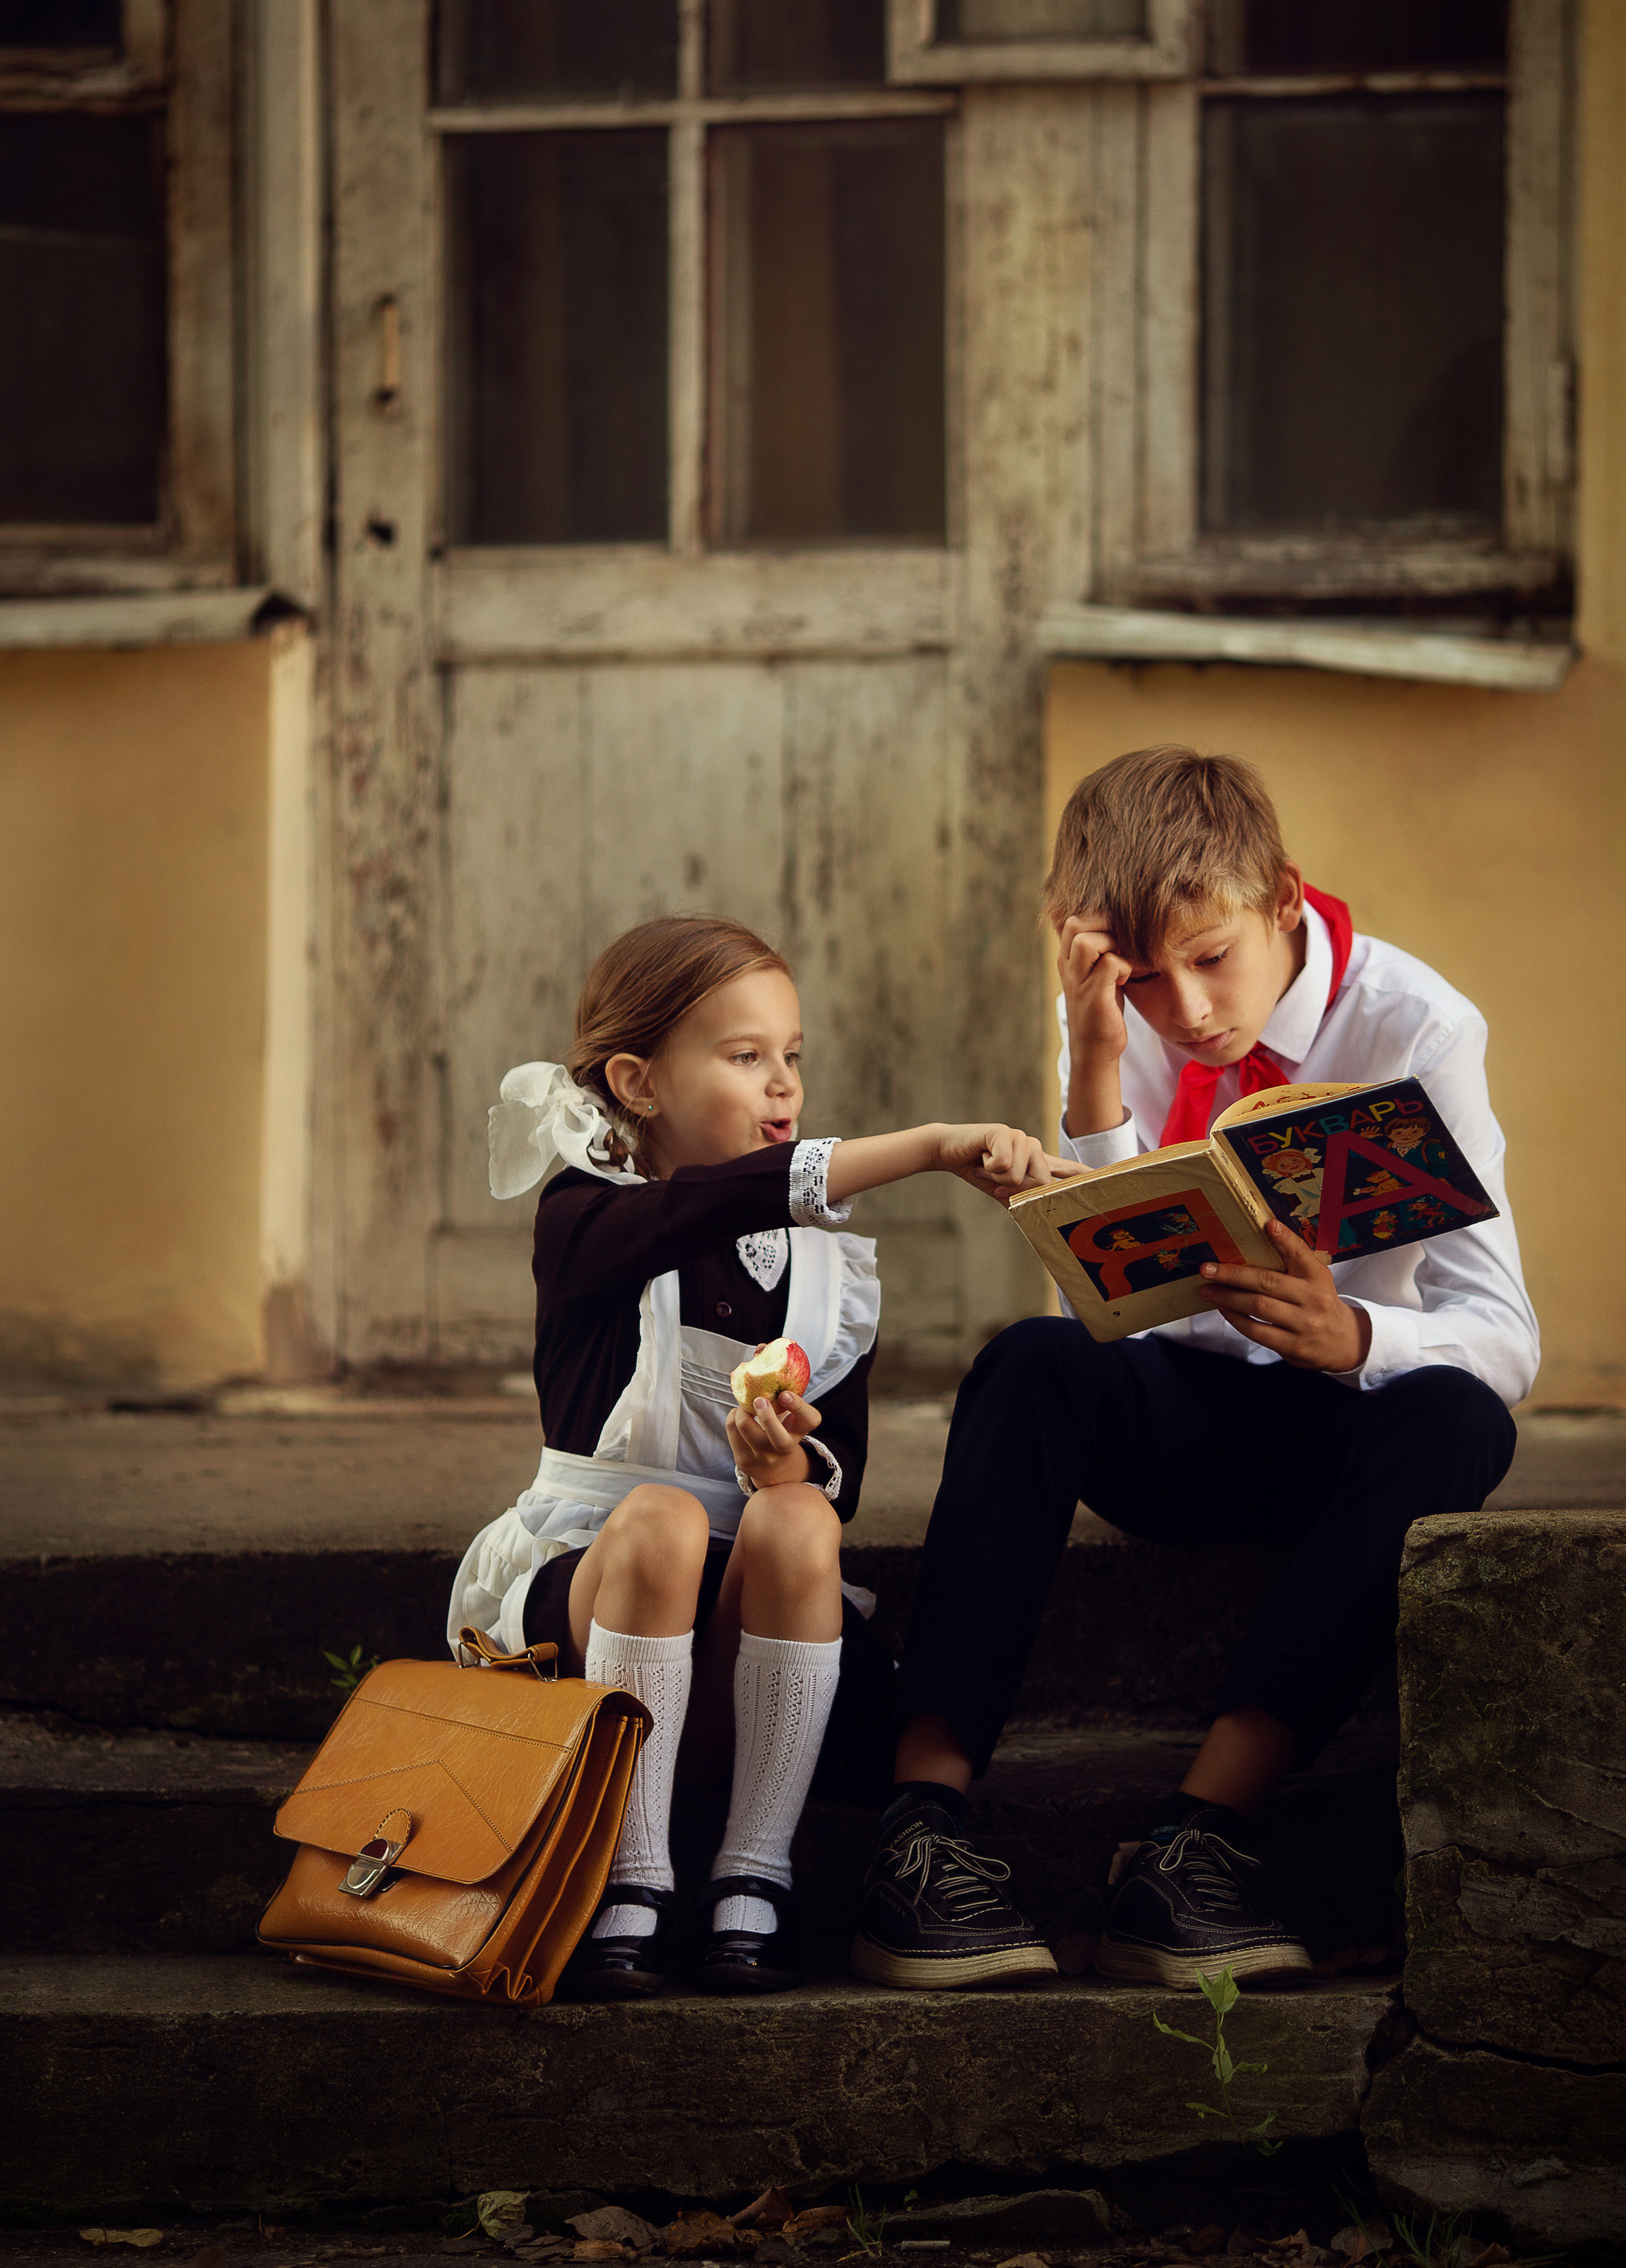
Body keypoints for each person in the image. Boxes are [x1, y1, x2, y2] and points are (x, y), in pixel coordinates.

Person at [851, 746, 1537, 1994]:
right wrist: (1098, 1061)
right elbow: (1114, 1311)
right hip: (1189, 1422)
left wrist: (1358, 1340)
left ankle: (1196, 1840)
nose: (1192, 1010)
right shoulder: (1131, 1015)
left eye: (1212, 959)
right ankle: (921, 1832)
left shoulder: (1418, 1027)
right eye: (1148, 981)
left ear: (1283, 900)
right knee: (1030, 1365)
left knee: (1459, 1417)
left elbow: (1506, 1335)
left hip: (1343, 1435)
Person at [449, 912, 1069, 1999]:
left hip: (747, 1657)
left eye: (792, 1056)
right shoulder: (589, 1221)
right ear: (638, 1083)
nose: (782, 1085)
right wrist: (927, 1147)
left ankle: (754, 1873)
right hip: (591, 1627)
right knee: (666, 1518)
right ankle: (630, 1872)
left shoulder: (826, 1273)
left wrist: (787, 1473)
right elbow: (708, 1202)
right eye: (745, 1059)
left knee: (797, 1521)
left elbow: (839, 1478)